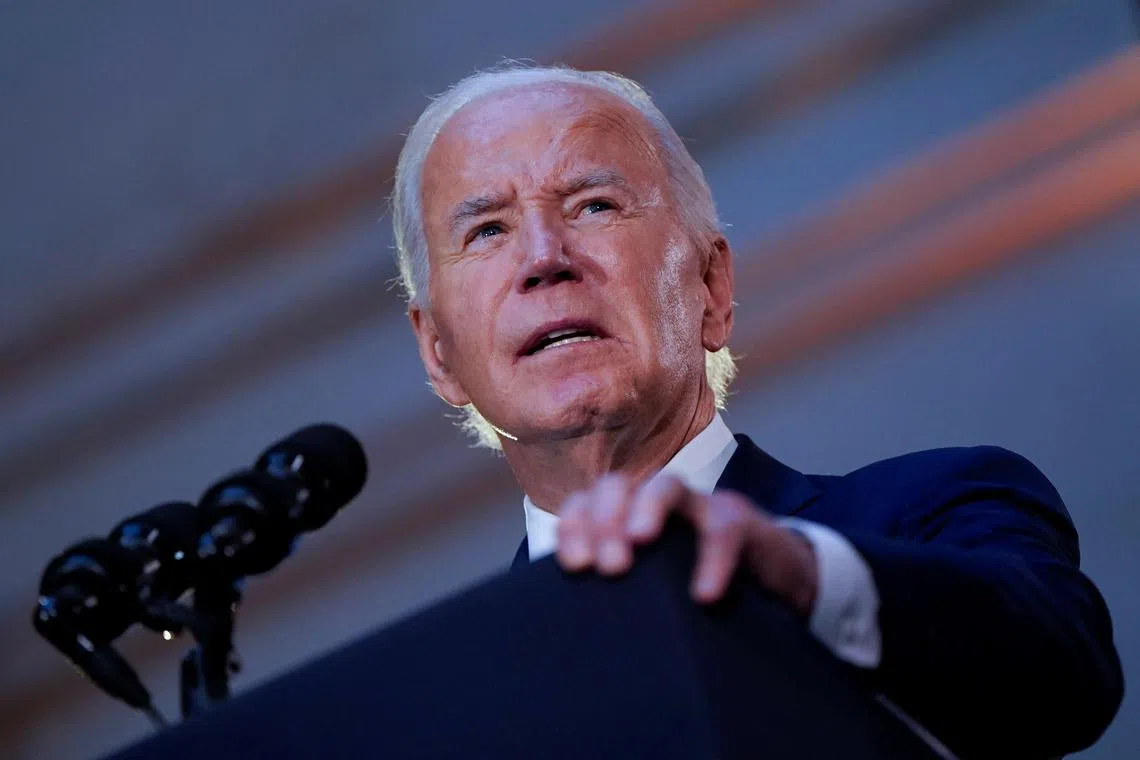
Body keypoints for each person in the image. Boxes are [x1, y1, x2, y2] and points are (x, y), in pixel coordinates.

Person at [390, 63, 1123, 758]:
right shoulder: (441, 704)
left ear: (711, 287)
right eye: (486, 230)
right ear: (439, 355)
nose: (544, 257)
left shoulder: (935, 509)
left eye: (594, 206)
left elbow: (1062, 669)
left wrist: (800, 577)